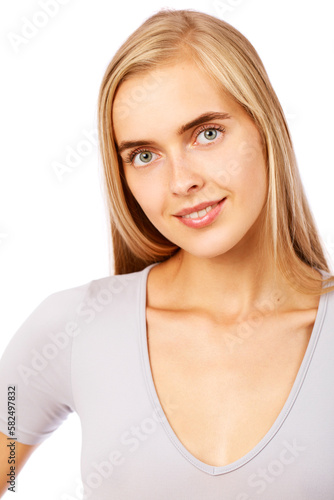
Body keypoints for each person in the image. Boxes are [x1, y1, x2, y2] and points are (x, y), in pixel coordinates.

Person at [1, 8, 334, 499]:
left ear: (267, 127)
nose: (181, 182)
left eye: (207, 133)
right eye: (144, 155)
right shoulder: (70, 328)